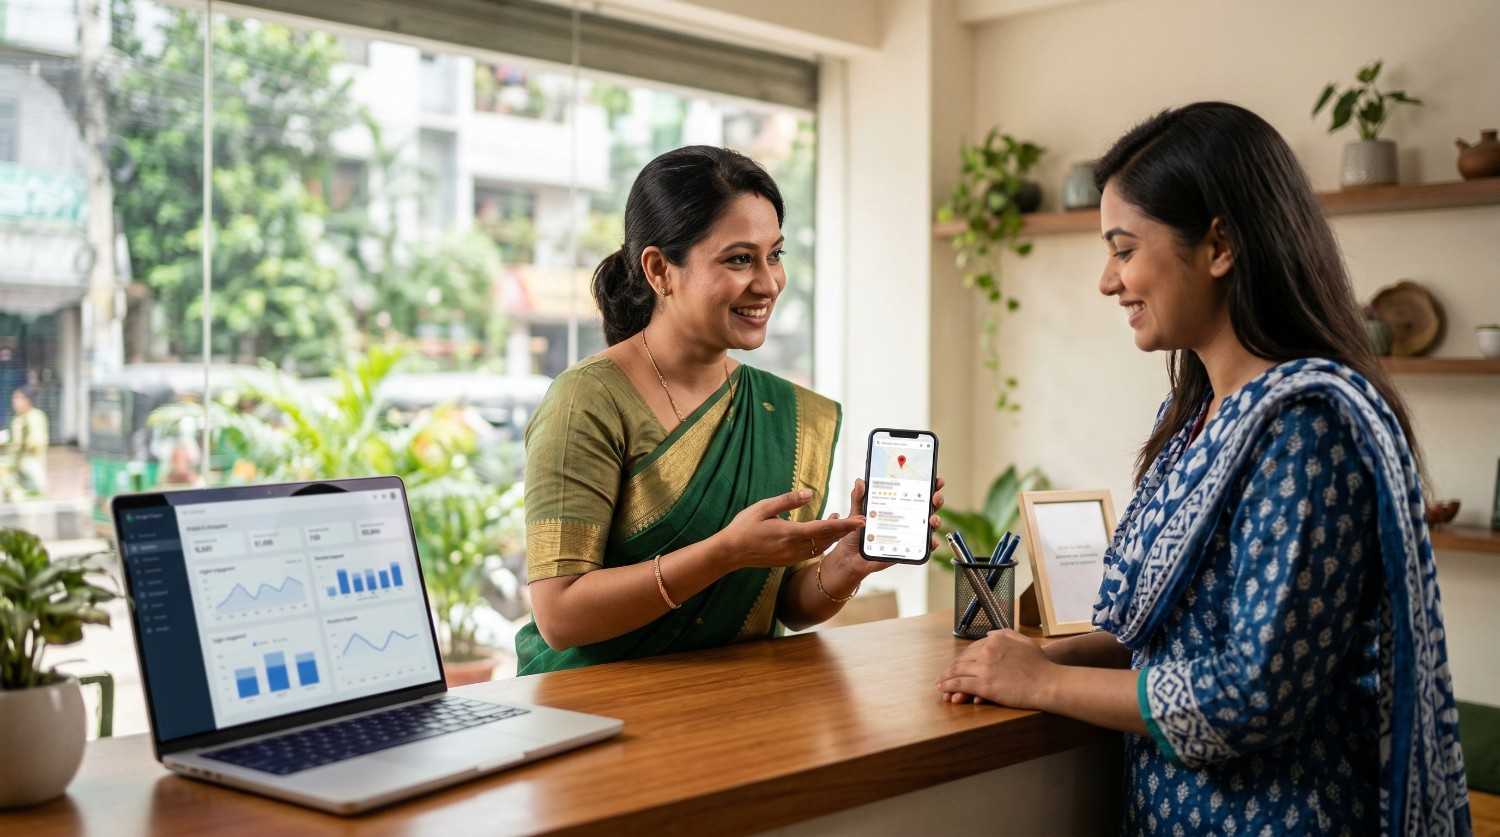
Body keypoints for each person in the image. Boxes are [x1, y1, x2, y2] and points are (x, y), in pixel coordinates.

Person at [937, 103, 1470, 835]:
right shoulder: (1192, 417)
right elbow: (1164, 633)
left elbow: (1253, 692)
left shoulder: (1307, 428)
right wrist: (1024, 660)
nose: (1107, 280)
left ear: (1219, 244)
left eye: (1124, 249)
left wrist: (1049, 680)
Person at [516, 146, 945, 674]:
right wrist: (725, 552)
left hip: (736, 713)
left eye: (775, 255)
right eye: (739, 259)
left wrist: (846, 565)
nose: (767, 283)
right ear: (659, 270)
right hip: (591, 718)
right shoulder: (587, 400)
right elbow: (561, 614)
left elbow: (782, 602)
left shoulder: (790, 413)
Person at [4, 386, 49, 497]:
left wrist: (23, 444)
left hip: (31, 464)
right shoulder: (17, 419)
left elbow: (38, 442)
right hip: (16, 465)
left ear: (27, 400)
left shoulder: (36, 416)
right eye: (14, 398)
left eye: (18, 398)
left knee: (35, 495)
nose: (15, 402)